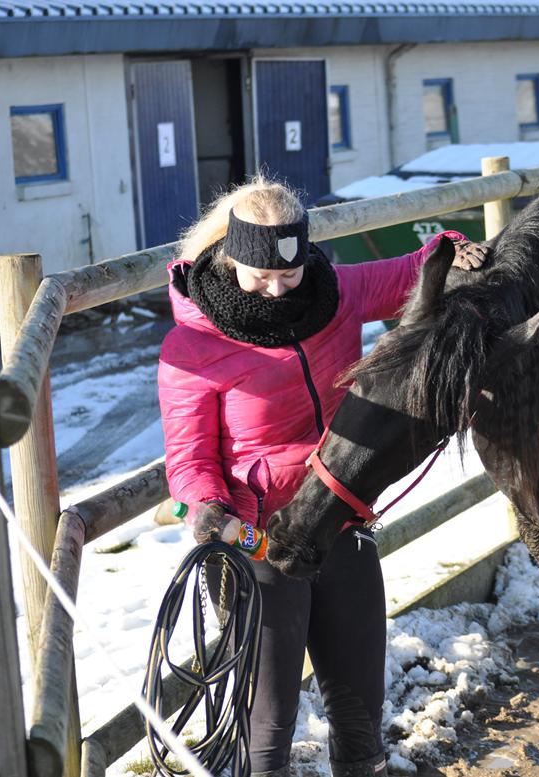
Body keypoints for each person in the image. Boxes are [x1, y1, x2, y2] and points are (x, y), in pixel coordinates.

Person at [157, 175, 484, 777]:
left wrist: (452, 246)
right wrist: (204, 505)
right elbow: (189, 457)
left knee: (360, 706)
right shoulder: (192, 345)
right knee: (270, 720)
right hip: (260, 539)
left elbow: (415, 269)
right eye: (262, 277)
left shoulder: (337, 292)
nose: (279, 290)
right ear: (231, 258)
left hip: (339, 520)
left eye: (290, 274)